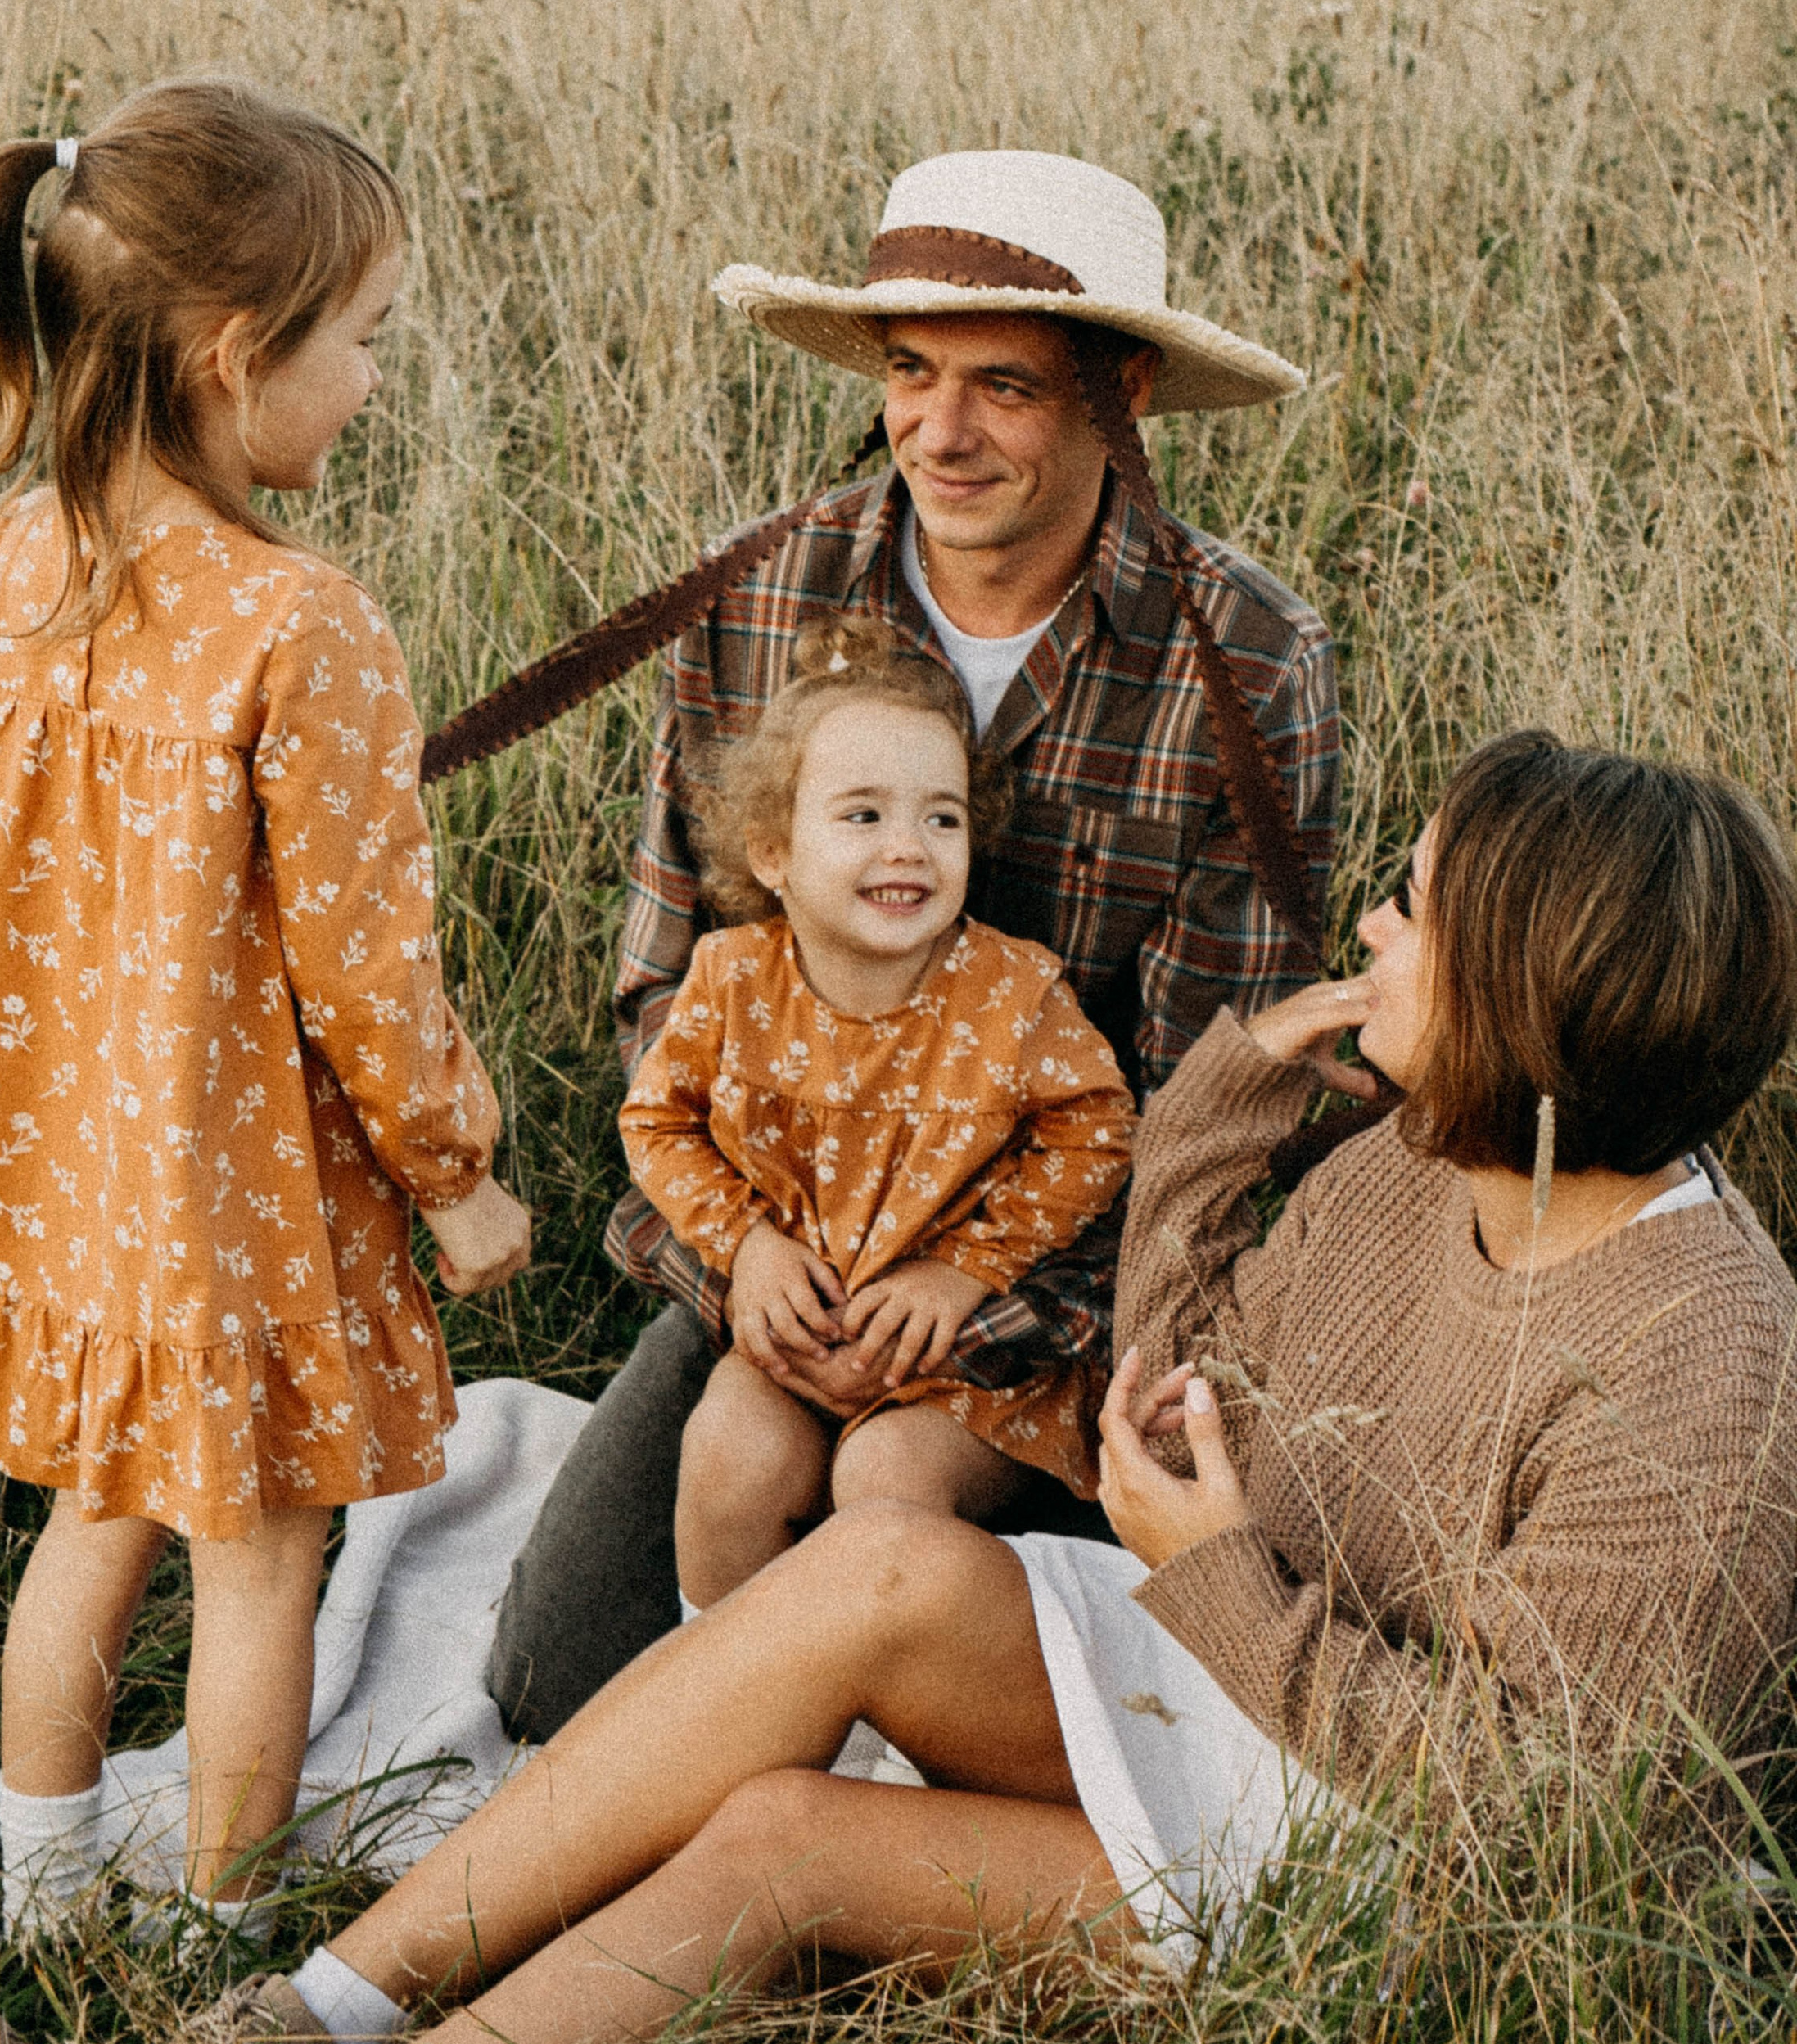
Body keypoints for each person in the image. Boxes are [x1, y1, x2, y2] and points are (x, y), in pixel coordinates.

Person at [0, 725, 1797, 2044]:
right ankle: (272, 2032)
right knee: (873, 1573)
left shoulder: (1696, 1363)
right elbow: (1210, 1373)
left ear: (1530, 987)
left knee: (787, 1843)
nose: (1368, 928)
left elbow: (1533, 1825)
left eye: (1413, 907)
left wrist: (1203, 1562)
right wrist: (1216, 1116)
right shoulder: (1417, 1157)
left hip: (1406, 1911)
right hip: (1266, 1707)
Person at [0, 75, 531, 1944]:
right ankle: (216, 1928)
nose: (370, 382)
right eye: (357, 340)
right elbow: (369, 967)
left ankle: (45, 1903)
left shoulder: (17, 560)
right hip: (236, 1191)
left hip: (59, 1166)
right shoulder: (302, 621)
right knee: (263, 1560)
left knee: (90, 1515)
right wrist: (456, 1177)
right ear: (226, 350)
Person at [490, 148, 1339, 1737]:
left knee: (906, 1542)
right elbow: (662, 992)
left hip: (1051, 1300)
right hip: (787, 1256)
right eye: (908, 371)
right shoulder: (760, 599)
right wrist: (741, 1266)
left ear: (1122, 393)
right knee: (550, 1682)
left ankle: (903, 1689)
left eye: (1003, 385)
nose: (938, 433)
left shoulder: (1246, 664)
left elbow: (1212, 1110)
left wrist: (972, 1303)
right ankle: (731, 1714)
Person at [625, 617, 1136, 1604]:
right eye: (861, 817)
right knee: (730, 1456)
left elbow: (1097, 1130)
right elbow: (658, 1122)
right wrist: (748, 1249)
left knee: (884, 1482)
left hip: (960, 1359)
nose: (908, 846)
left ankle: (885, 1716)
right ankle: (721, 1700)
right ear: (773, 853)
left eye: (941, 819)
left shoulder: (1009, 992)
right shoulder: (732, 980)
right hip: (796, 1322)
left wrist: (964, 1272)